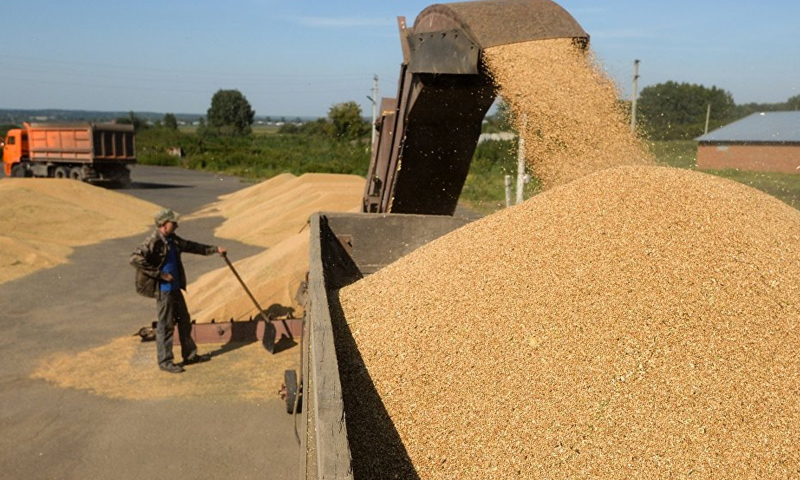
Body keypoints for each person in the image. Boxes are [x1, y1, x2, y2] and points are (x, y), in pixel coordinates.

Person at [130, 208, 227, 373]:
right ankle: (165, 362)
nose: (176, 225)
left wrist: (215, 249)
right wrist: (160, 274)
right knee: (166, 326)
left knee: (184, 322)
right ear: (163, 224)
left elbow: (192, 246)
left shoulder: (172, 240)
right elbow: (135, 258)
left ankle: (190, 356)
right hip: (164, 291)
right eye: (173, 223)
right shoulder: (153, 241)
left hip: (175, 289)